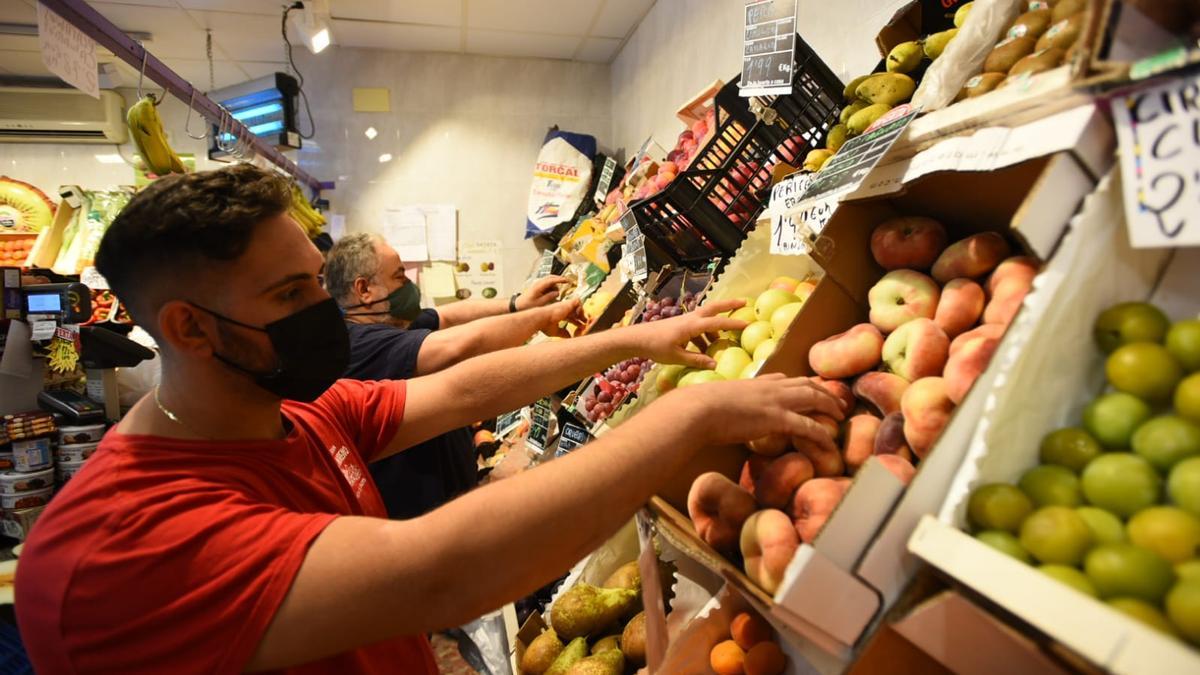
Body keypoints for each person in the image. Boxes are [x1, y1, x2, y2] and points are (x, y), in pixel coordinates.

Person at [15, 164, 843, 674]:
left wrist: (638, 335)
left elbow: (466, 389)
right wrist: (691, 414)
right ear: (189, 326)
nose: (328, 312)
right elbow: (441, 569)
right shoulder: (119, 544)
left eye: (317, 281)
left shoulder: (295, 416)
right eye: (291, 296)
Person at [324, 233, 576, 518]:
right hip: (423, 517)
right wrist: (543, 318)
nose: (408, 284)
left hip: (454, 495)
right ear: (364, 289)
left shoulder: (389, 320)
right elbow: (457, 346)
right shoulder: (359, 344)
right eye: (398, 276)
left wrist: (517, 304)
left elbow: (447, 316)